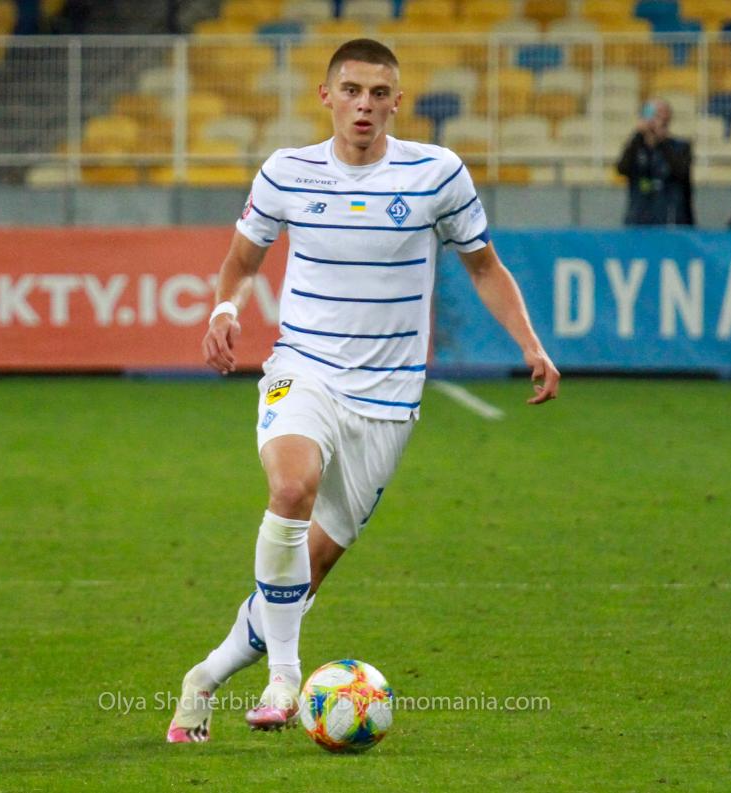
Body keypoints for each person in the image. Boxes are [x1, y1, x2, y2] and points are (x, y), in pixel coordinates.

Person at [166, 38, 560, 742]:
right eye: (351, 91)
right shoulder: (287, 172)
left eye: (379, 93)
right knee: (291, 488)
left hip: (387, 402)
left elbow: (485, 268)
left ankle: (204, 677)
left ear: (397, 103)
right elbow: (241, 261)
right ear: (326, 97)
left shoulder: (437, 174)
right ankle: (285, 677)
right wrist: (223, 310)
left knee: (305, 573)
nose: (364, 106)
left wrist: (531, 345)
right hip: (303, 370)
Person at [616, 98, 695, 226]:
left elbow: (681, 172)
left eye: (659, 115)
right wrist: (638, 135)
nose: (653, 120)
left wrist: (663, 141)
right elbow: (622, 169)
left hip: (671, 219)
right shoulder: (636, 147)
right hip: (638, 219)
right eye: (650, 114)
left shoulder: (680, 147)